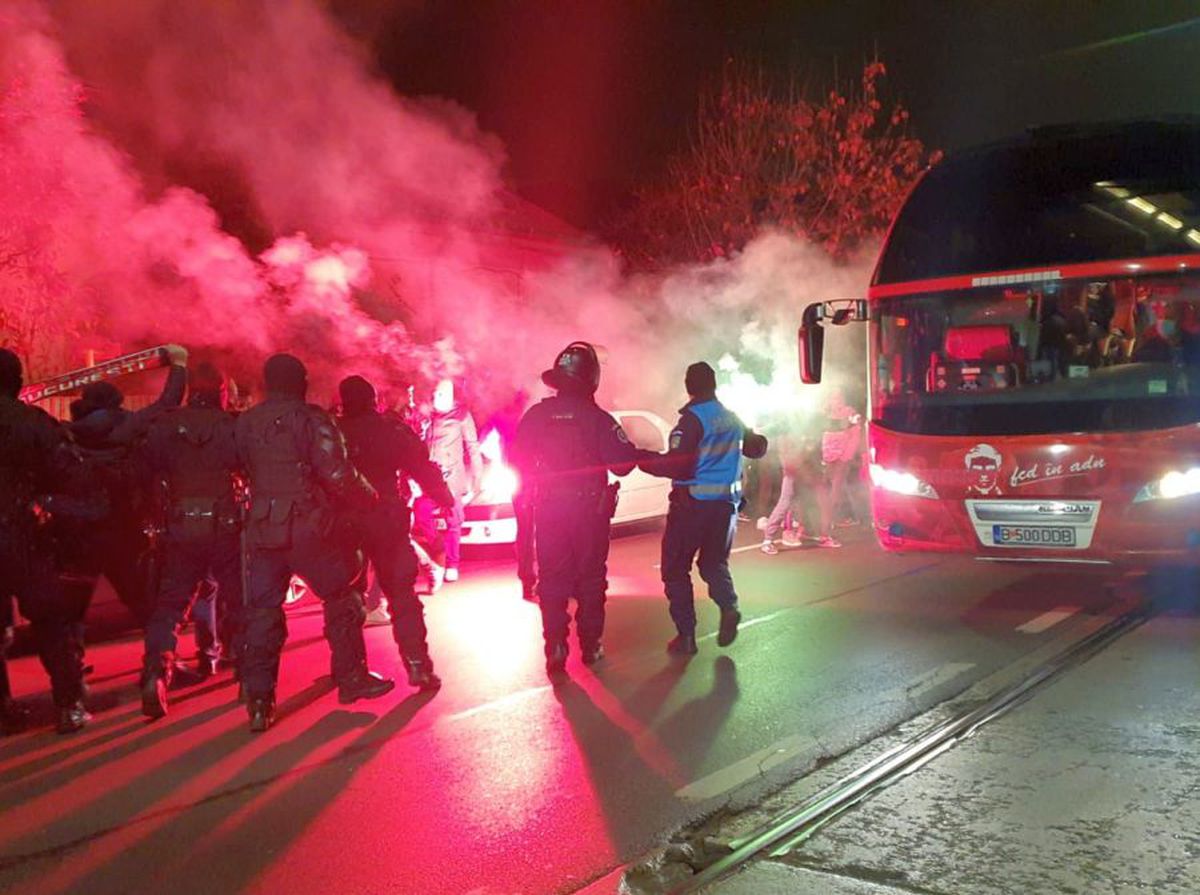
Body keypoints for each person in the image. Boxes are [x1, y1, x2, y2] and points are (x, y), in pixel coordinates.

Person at [235, 354, 393, 732]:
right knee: (342, 596)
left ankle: (259, 699)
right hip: (309, 526)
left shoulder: (244, 423)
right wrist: (371, 499)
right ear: (299, 381)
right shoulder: (311, 419)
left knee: (261, 612)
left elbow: (239, 467)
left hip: (261, 528)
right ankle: (351, 678)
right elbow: (338, 472)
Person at [510, 342, 654, 674]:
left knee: (552, 580)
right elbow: (621, 465)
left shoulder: (536, 415)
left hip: (548, 511)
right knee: (590, 579)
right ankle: (590, 646)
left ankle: (556, 647)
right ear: (591, 378)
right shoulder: (598, 419)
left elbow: (515, 460)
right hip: (589, 513)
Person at [337, 374, 455, 691]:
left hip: (346, 524)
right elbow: (421, 464)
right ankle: (418, 665)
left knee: (345, 599)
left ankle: (348, 672)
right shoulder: (390, 429)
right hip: (386, 519)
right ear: (372, 400)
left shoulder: (333, 433)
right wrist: (444, 497)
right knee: (402, 597)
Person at [138, 361, 242, 718]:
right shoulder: (231, 427)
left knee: (170, 607)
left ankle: (156, 673)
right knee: (240, 599)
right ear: (220, 393)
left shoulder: (165, 427)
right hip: (225, 527)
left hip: (181, 525)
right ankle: (250, 674)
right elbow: (249, 469)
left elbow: (145, 470)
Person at [641, 362, 767, 655]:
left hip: (692, 507)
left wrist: (641, 460)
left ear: (689, 387)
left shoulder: (692, 420)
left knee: (675, 569)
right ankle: (729, 606)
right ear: (714, 385)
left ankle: (686, 636)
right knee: (713, 564)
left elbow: (677, 464)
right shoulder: (732, 418)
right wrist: (761, 436)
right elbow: (757, 448)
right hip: (725, 508)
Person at [61, 345, 189, 625]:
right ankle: (160, 663)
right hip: (124, 526)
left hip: (81, 531)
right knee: (144, 604)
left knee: (71, 611)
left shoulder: (68, 433)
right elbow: (168, 403)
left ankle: (69, 667)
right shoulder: (130, 424)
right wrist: (179, 365)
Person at [0, 349, 92, 733]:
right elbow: (70, 474)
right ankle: (69, 706)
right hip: (23, 534)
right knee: (52, 623)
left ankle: (4, 710)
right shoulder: (33, 423)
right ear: (16, 380)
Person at [415, 378, 482, 583]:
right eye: (435, 394)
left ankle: (452, 563)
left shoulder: (462, 416)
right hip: (432, 478)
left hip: (452, 477)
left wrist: (476, 484)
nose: (436, 398)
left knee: (454, 520)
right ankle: (438, 548)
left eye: (441, 394)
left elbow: (473, 447)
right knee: (421, 511)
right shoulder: (429, 418)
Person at [816, 387, 862, 548]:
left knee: (835, 492)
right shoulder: (823, 414)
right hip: (823, 457)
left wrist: (846, 457)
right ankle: (819, 526)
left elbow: (856, 434)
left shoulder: (850, 413)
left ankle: (826, 529)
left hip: (841, 458)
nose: (837, 401)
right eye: (834, 397)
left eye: (840, 397)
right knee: (820, 491)